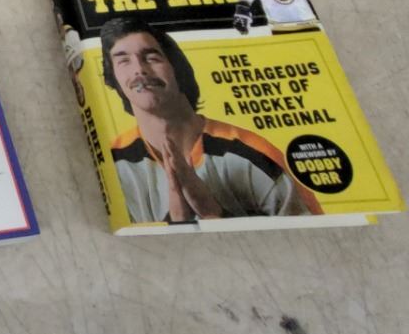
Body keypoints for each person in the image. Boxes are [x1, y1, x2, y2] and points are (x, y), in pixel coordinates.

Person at [99, 17, 320, 224]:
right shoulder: (113, 164)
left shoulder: (252, 153)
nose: (139, 70)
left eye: (151, 57)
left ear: (177, 68)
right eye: (124, 61)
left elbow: (311, 235)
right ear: (114, 79)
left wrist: (213, 212)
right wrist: (177, 219)